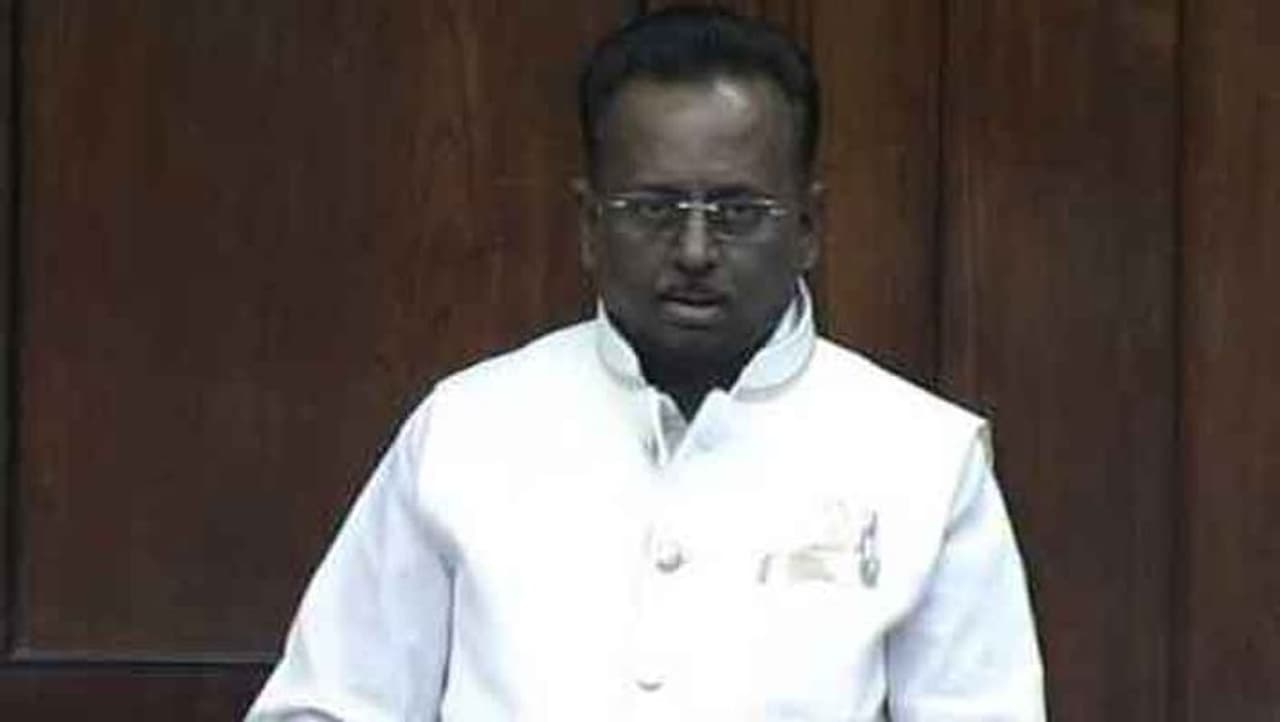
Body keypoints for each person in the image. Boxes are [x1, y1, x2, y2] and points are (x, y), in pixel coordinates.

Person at [246, 7, 1044, 721]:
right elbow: (330, 704)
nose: (695, 250)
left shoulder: (921, 457)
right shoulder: (467, 429)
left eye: (737, 212)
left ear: (808, 227)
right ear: (590, 224)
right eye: (654, 209)